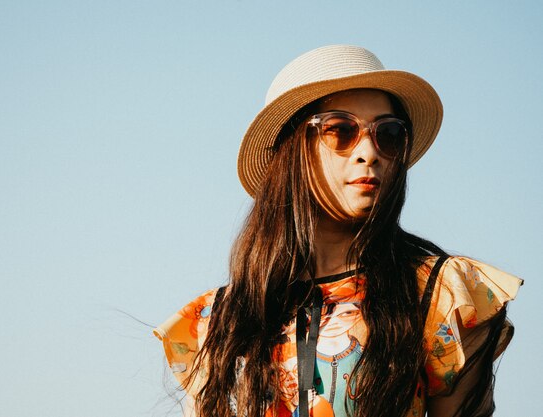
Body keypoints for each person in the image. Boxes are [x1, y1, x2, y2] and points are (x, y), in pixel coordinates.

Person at [153, 45, 522, 417]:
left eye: (388, 133)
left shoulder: (438, 293)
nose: (368, 151)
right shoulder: (216, 321)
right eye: (341, 130)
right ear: (291, 150)